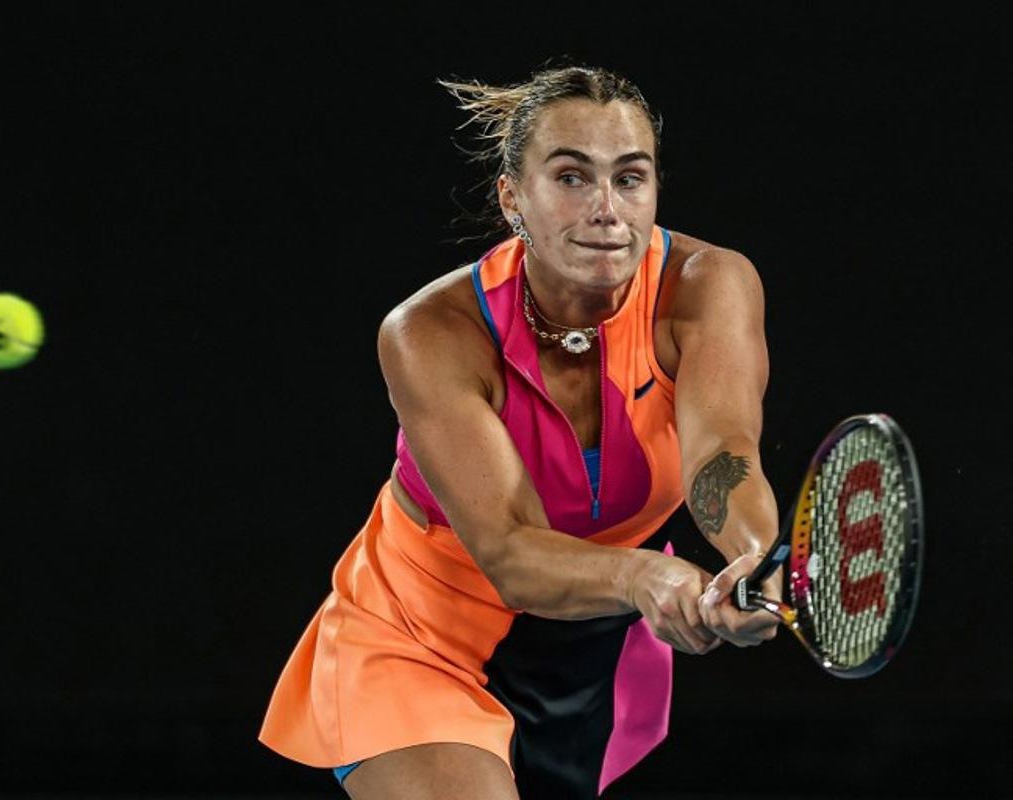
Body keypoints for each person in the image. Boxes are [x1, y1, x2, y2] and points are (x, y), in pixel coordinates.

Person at [258, 63, 783, 800]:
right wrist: (646, 575)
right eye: (571, 177)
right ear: (512, 198)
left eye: (630, 178)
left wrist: (755, 558)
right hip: (425, 636)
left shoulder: (708, 285)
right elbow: (509, 550)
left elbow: (721, 456)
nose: (608, 209)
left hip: (588, 645)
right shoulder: (432, 332)